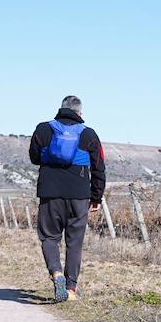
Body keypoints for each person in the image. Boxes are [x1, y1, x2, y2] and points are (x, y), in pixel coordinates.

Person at [29, 95, 106, 302]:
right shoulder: (89, 134)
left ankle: (56, 273)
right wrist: (96, 196)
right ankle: (71, 289)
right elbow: (99, 167)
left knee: (49, 237)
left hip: (50, 192)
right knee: (74, 242)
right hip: (79, 196)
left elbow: (34, 158)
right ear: (80, 113)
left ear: (61, 109)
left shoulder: (43, 129)